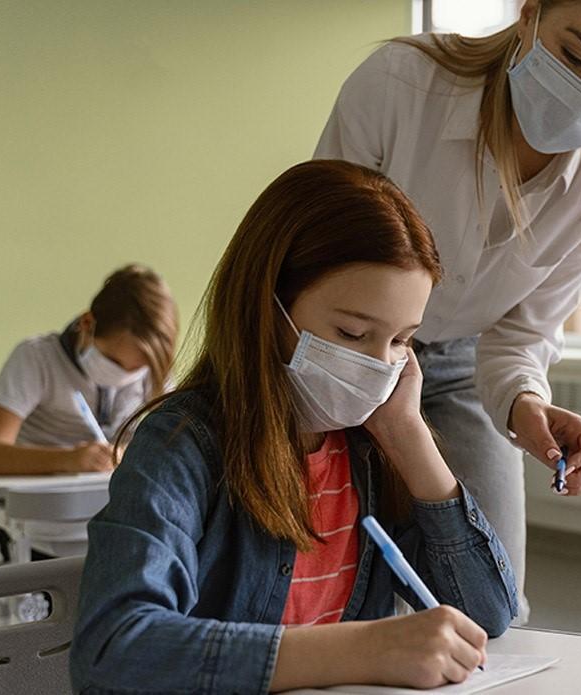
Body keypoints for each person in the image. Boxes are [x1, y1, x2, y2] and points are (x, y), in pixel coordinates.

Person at [70, 161, 516, 692]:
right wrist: (362, 649)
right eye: (352, 333)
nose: (379, 366)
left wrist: (409, 435)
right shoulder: (182, 444)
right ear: (268, 307)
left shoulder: (369, 451)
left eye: (401, 341)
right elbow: (112, 648)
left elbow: (488, 614)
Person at [314, 0, 581, 617]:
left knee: (495, 608)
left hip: (461, 365)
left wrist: (527, 406)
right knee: (336, 588)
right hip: (343, 345)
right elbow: (316, 250)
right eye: (573, 55)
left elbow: (520, 336)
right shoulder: (402, 83)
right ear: (530, 14)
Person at [0, 264, 177, 475]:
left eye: (137, 368)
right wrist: (68, 460)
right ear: (88, 323)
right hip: (42, 500)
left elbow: (177, 444)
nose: (125, 375)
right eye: (113, 361)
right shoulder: (36, 358)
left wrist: (130, 454)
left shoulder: (155, 368)